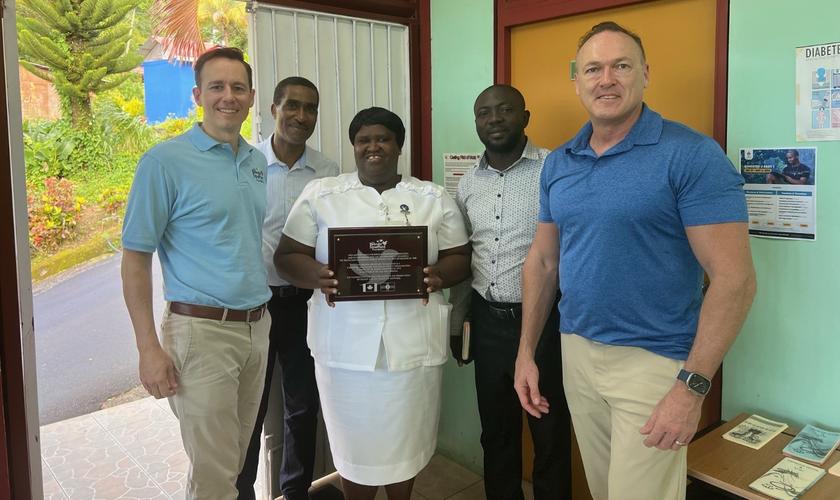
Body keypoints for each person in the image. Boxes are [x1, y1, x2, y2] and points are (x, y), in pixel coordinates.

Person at [513, 22, 757, 500]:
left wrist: (691, 388)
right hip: (577, 352)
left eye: (621, 66)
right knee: (605, 491)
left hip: (654, 360)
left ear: (644, 74)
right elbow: (542, 263)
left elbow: (735, 280)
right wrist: (525, 352)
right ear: (577, 80)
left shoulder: (691, 155)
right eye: (593, 68)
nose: (607, 79)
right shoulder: (560, 162)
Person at [274, 107, 470, 500]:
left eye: (383, 138)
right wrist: (319, 276)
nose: (373, 146)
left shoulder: (432, 197)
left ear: (399, 145)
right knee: (353, 445)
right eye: (364, 140)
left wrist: (438, 276)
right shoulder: (322, 194)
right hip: (343, 351)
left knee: (407, 441)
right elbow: (286, 256)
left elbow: (460, 258)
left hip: (412, 346)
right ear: (354, 146)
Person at [121, 47, 272, 499]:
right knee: (215, 474)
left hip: (256, 329)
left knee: (234, 463)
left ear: (250, 97)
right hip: (201, 334)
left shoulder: (256, 161)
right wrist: (149, 348)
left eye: (238, 87)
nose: (229, 96)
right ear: (198, 95)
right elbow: (135, 260)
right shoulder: (164, 163)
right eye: (217, 87)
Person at [448, 84, 571, 500]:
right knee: (496, 432)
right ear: (477, 122)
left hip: (544, 324)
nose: (494, 119)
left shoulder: (556, 169)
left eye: (504, 110)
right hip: (487, 322)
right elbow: (467, 260)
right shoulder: (467, 185)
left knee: (549, 432)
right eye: (484, 112)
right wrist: (459, 319)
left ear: (525, 117)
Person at [237, 77, 339, 500]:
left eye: (311, 108)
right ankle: (241, 492)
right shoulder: (244, 163)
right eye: (292, 106)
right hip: (255, 306)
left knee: (302, 407)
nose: (302, 116)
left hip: (304, 304)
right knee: (249, 409)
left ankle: (294, 492)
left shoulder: (328, 172)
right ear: (273, 109)